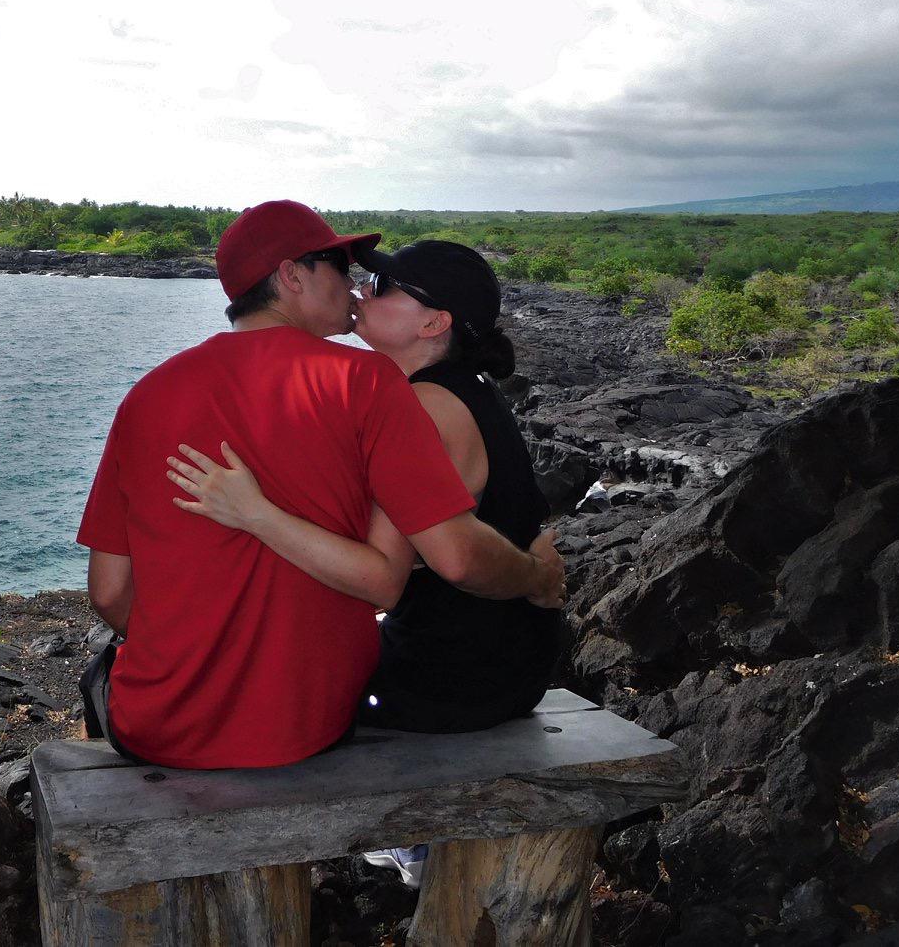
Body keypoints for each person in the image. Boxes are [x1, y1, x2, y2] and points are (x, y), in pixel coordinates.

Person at [76, 201, 564, 771]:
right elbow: (395, 576)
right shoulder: (370, 384)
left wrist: (190, 653)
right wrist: (535, 576)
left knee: (100, 686)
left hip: (155, 725)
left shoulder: (147, 395)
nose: (354, 286)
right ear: (292, 275)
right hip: (305, 726)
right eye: (338, 265)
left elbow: (109, 592)